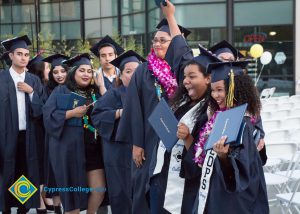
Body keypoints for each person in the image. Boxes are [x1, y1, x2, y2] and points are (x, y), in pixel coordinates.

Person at [116, 1, 193, 213]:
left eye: (163, 40)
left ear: (174, 44)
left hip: (179, 136)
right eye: (155, 40)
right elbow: (133, 109)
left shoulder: (183, 71)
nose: (157, 44)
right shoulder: (143, 71)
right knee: (147, 188)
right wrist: (137, 143)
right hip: (149, 139)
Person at [149, 45, 220, 214]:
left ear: (208, 79)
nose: (186, 81)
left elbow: (204, 159)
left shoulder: (211, 112)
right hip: (162, 176)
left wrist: (188, 138)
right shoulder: (183, 102)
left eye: (192, 76)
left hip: (185, 186)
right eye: (185, 76)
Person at [194, 61, 269, 214]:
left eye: (220, 90)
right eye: (212, 90)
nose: (215, 95)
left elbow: (243, 171)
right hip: (218, 192)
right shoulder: (222, 118)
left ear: (235, 89)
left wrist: (224, 157)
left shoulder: (242, 123)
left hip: (234, 202)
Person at [43, 53, 105, 214]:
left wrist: (102, 85)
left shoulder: (94, 92)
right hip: (69, 152)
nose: (86, 74)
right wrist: (70, 114)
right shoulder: (61, 91)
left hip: (92, 150)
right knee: (72, 199)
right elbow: (48, 116)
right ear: (73, 72)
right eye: (82, 70)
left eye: (89, 71)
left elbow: (108, 108)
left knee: (99, 189)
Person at [91, 50, 146, 214]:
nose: (133, 75)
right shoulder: (114, 94)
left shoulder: (149, 94)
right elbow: (97, 116)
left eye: (137, 71)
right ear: (120, 76)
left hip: (143, 152)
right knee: (121, 195)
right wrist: (119, 113)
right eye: (128, 72)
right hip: (118, 154)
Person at [0, 35, 44, 213]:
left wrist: (32, 92)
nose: (24, 57)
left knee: (25, 173)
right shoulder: (1, 79)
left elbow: (41, 110)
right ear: (10, 56)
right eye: (19, 53)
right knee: (6, 172)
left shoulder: (33, 80)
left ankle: (21, 209)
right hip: (4, 136)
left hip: (28, 136)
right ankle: (6, 208)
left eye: (26, 54)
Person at [209, 40, 267, 164]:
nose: (227, 62)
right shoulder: (210, 96)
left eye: (230, 59)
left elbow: (256, 122)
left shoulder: (245, 104)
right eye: (222, 59)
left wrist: (260, 137)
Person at [42, 53, 70, 214]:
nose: (59, 75)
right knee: (55, 173)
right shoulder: (47, 90)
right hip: (54, 135)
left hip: (74, 138)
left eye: (62, 71)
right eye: (55, 72)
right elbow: (46, 115)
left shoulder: (76, 87)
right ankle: (58, 208)